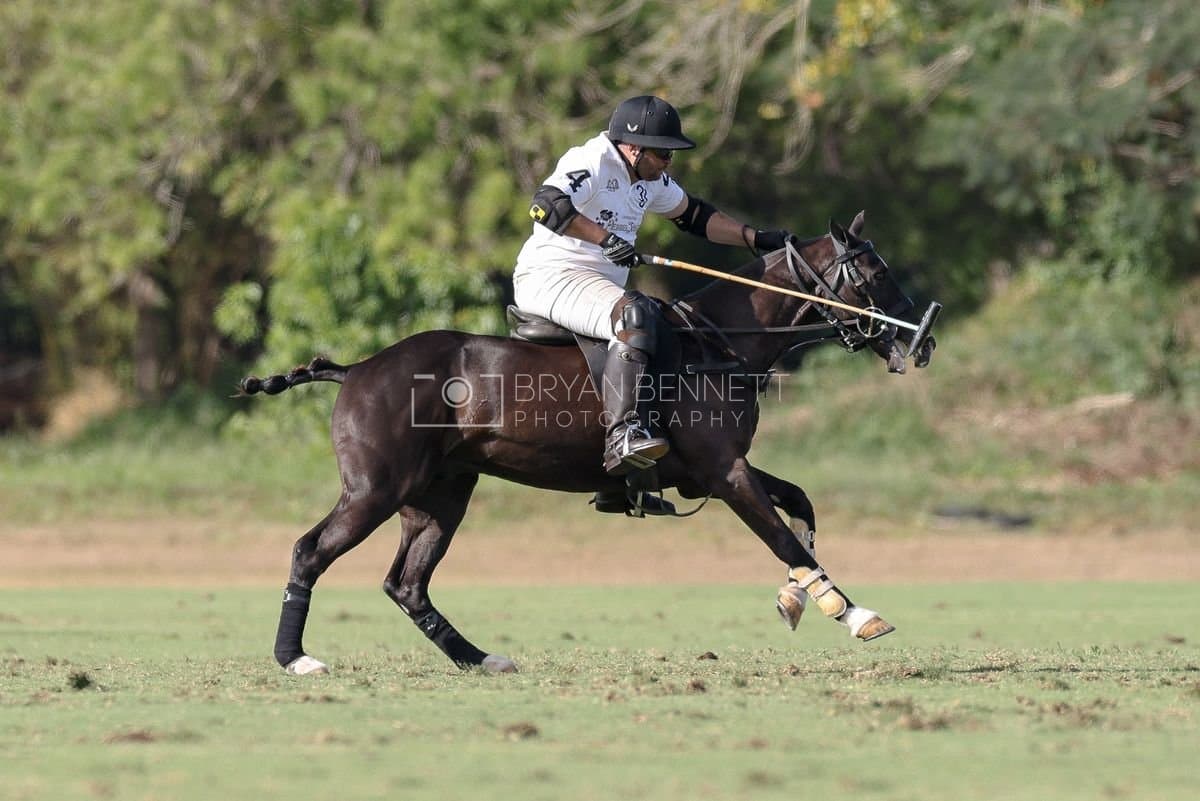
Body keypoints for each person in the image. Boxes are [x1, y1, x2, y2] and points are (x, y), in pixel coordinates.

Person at [512, 95, 792, 486]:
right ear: (632, 147)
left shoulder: (648, 181)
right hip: (552, 276)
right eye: (662, 154)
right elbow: (544, 204)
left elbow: (694, 215)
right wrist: (606, 239)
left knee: (666, 324)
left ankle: (628, 482)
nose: (668, 163)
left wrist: (755, 237)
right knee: (634, 315)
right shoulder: (592, 160)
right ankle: (622, 436)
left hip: (595, 285)